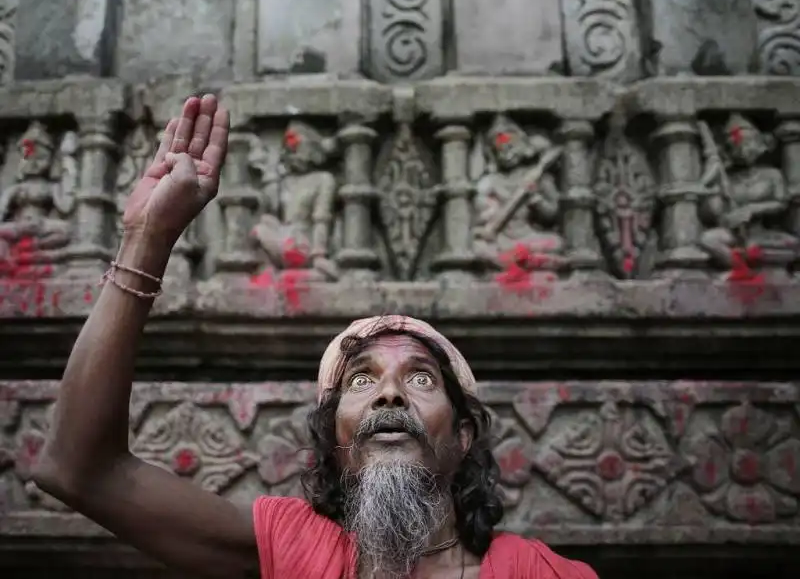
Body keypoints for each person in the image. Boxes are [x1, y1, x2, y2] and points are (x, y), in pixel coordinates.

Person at [32, 95, 599, 579]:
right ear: (334, 439)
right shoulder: (296, 551)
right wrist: (145, 236)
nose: (389, 395)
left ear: (466, 435)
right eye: (361, 380)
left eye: (420, 377)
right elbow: (77, 469)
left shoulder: (541, 572)